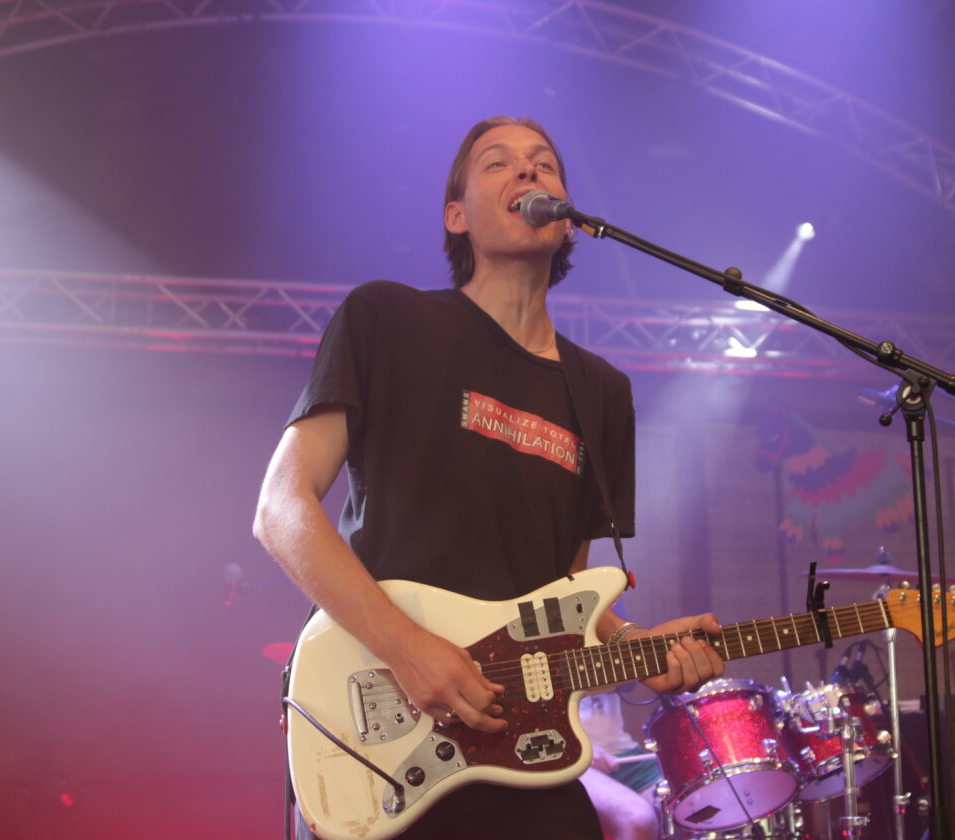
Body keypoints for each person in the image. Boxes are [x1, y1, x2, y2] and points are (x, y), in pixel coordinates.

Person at [253, 115, 725, 840]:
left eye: (544, 164)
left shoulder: (599, 391)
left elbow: (565, 596)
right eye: (499, 164)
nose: (528, 173)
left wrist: (640, 649)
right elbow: (281, 509)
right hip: (388, 731)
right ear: (456, 216)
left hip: (523, 754)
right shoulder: (387, 318)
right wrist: (407, 650)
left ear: (569, 221)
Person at [578, 691, 663, 840]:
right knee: (639, 819)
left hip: (624, 752)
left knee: (683, 804)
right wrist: (577, 749)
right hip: (571, 761)